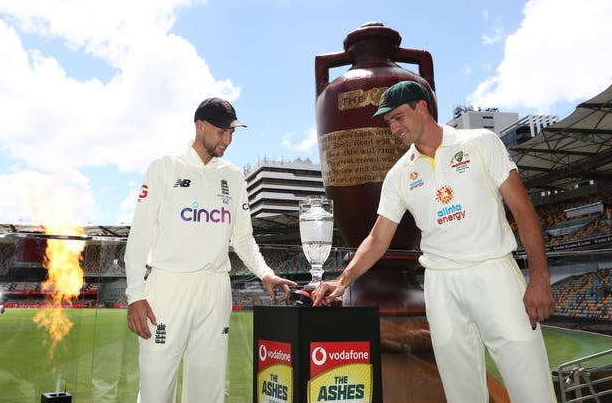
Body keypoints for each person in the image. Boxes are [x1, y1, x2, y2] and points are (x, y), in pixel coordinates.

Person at [312, 80, 556, 402]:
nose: (394, 127)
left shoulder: (481, 142)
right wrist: (342, 282)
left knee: (531, 386)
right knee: (462, 393)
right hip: (441, 285)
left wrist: (539, 278)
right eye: (388, 122)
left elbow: (523, 210)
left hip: (494, 272)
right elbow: (377, 238)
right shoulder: (399, 174)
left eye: (398, 117)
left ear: (422, 107)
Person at [125, 97, 297, 403]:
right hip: (168, 285)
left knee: (207, 388)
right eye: (221, 131)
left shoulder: (232, 176)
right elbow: (139, 236)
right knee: (156, 383)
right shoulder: (165, 167)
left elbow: (242, 237)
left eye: (232, 132)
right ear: (199, 126)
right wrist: (135, 294)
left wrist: (266, 274)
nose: (227, 139)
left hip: (215, 288)